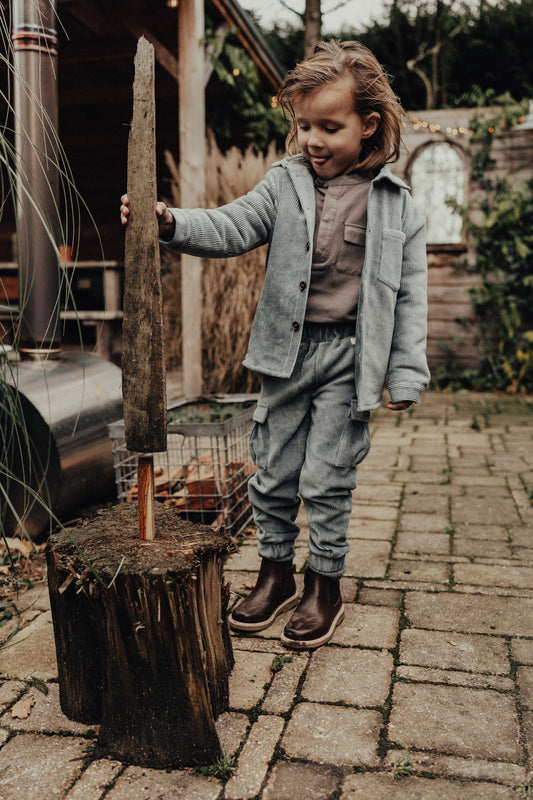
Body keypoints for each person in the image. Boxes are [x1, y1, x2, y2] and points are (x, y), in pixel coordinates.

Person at [120, 40, 430, 650]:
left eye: (330, 127)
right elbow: (232, 224)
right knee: (274, 469)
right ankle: (275, 572)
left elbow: (410, 297)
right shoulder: (284, 184)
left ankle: (325, 584)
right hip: (286, 354)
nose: (312, 140)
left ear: (368, 125)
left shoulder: (398, 206)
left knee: (328, 475)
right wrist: (169, 222)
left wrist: (406, 373)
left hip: (349, 360)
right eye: (304, 125)